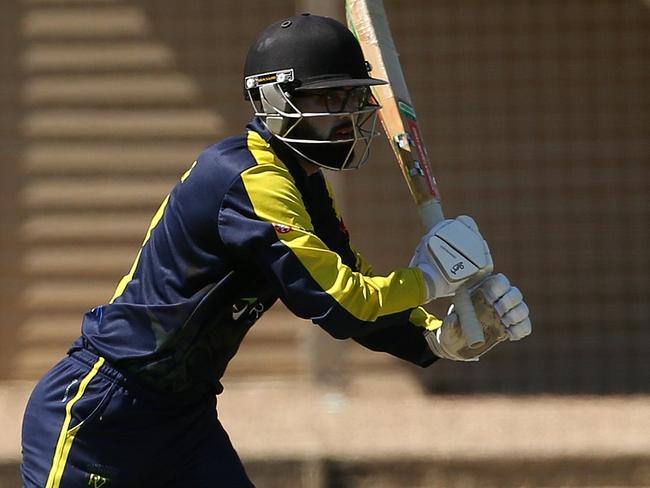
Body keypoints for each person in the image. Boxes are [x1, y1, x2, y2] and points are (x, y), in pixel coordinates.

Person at [21, 13, 531, 488]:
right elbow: (339, 301)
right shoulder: (246, 178)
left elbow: (354, 288)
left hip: (184, 420)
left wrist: (435, 338)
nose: (351, 116)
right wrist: (428, 281)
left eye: (354, 99)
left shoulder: (302, 182)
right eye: (331, 101)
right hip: (104, 412)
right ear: (273, 101)